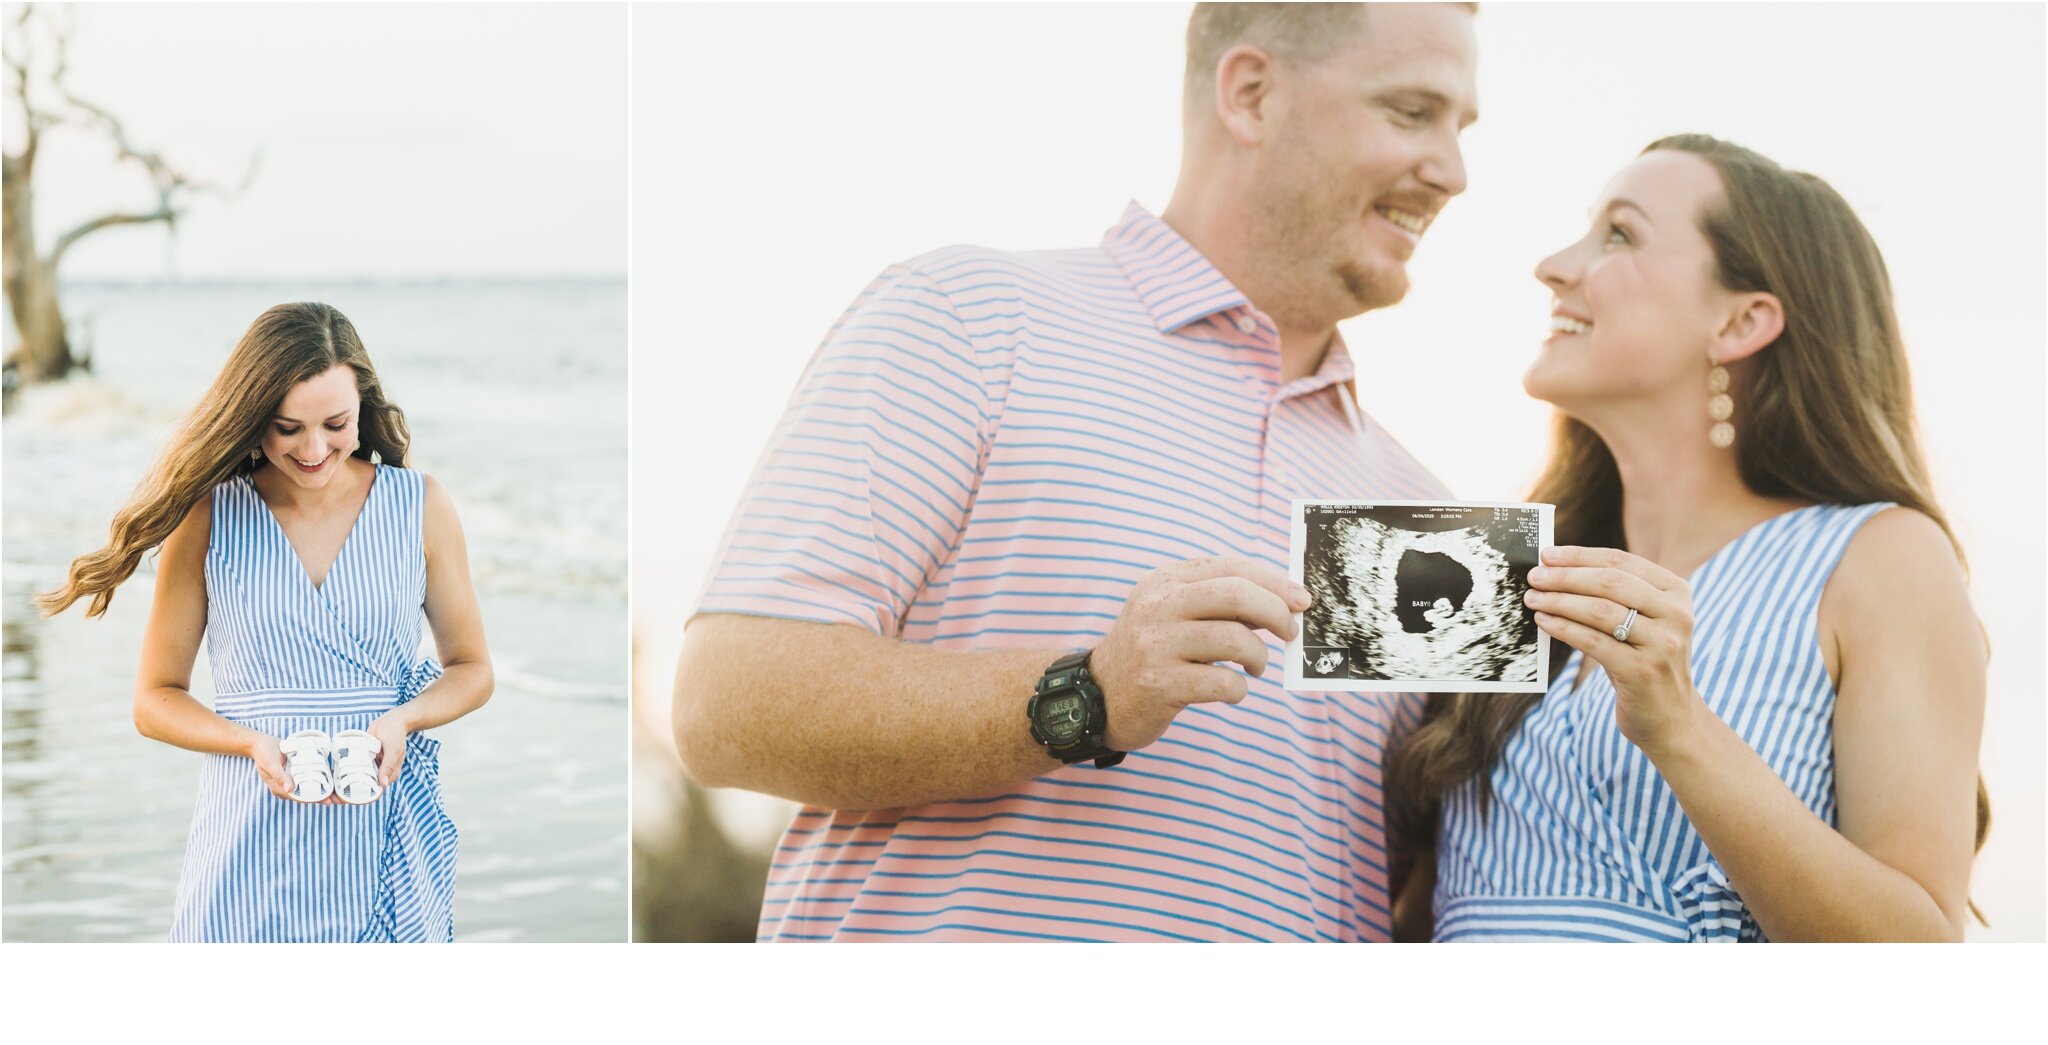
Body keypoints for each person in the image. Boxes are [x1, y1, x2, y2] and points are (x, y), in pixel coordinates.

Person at [674, 2, 1478, 941]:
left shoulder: (1426, 511)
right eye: (1411, 112)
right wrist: (1088, 694)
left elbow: (1424, 884)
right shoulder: (970, 318)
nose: (1453, 173)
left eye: (1460, 129)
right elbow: (726, 703)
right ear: (1252, 94)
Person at [1385, 135, 1989, 942]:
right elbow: (1408, 909)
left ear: (1741, 321)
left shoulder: (1880, 557)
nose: (1555, 265)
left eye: (1621, 235)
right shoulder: (1494, 568)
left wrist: (1680, 729)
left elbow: (1917, 956)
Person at [38, 302, 493, 942]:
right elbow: (154, 700)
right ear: (254, 421)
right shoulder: (209, 516)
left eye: (335, 424)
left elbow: (472, 669)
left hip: (381, 824)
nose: (313, 450)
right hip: (249, 836)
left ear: (362, 405)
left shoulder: (419, 507)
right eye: (287, 429)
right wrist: (252, 744)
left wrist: (405, 718)